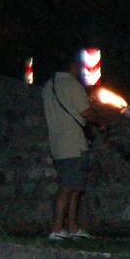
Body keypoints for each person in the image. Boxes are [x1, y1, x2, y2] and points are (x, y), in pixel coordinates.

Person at [42, 60, 95, 240]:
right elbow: (86, 112)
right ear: (72, 67)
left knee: (75, 187)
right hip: (73, 144)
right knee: (67, 188)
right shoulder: (73, 85)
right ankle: (57, 229)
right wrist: (102, 119)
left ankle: (72, 227)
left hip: (57, 144)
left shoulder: (49, 85)